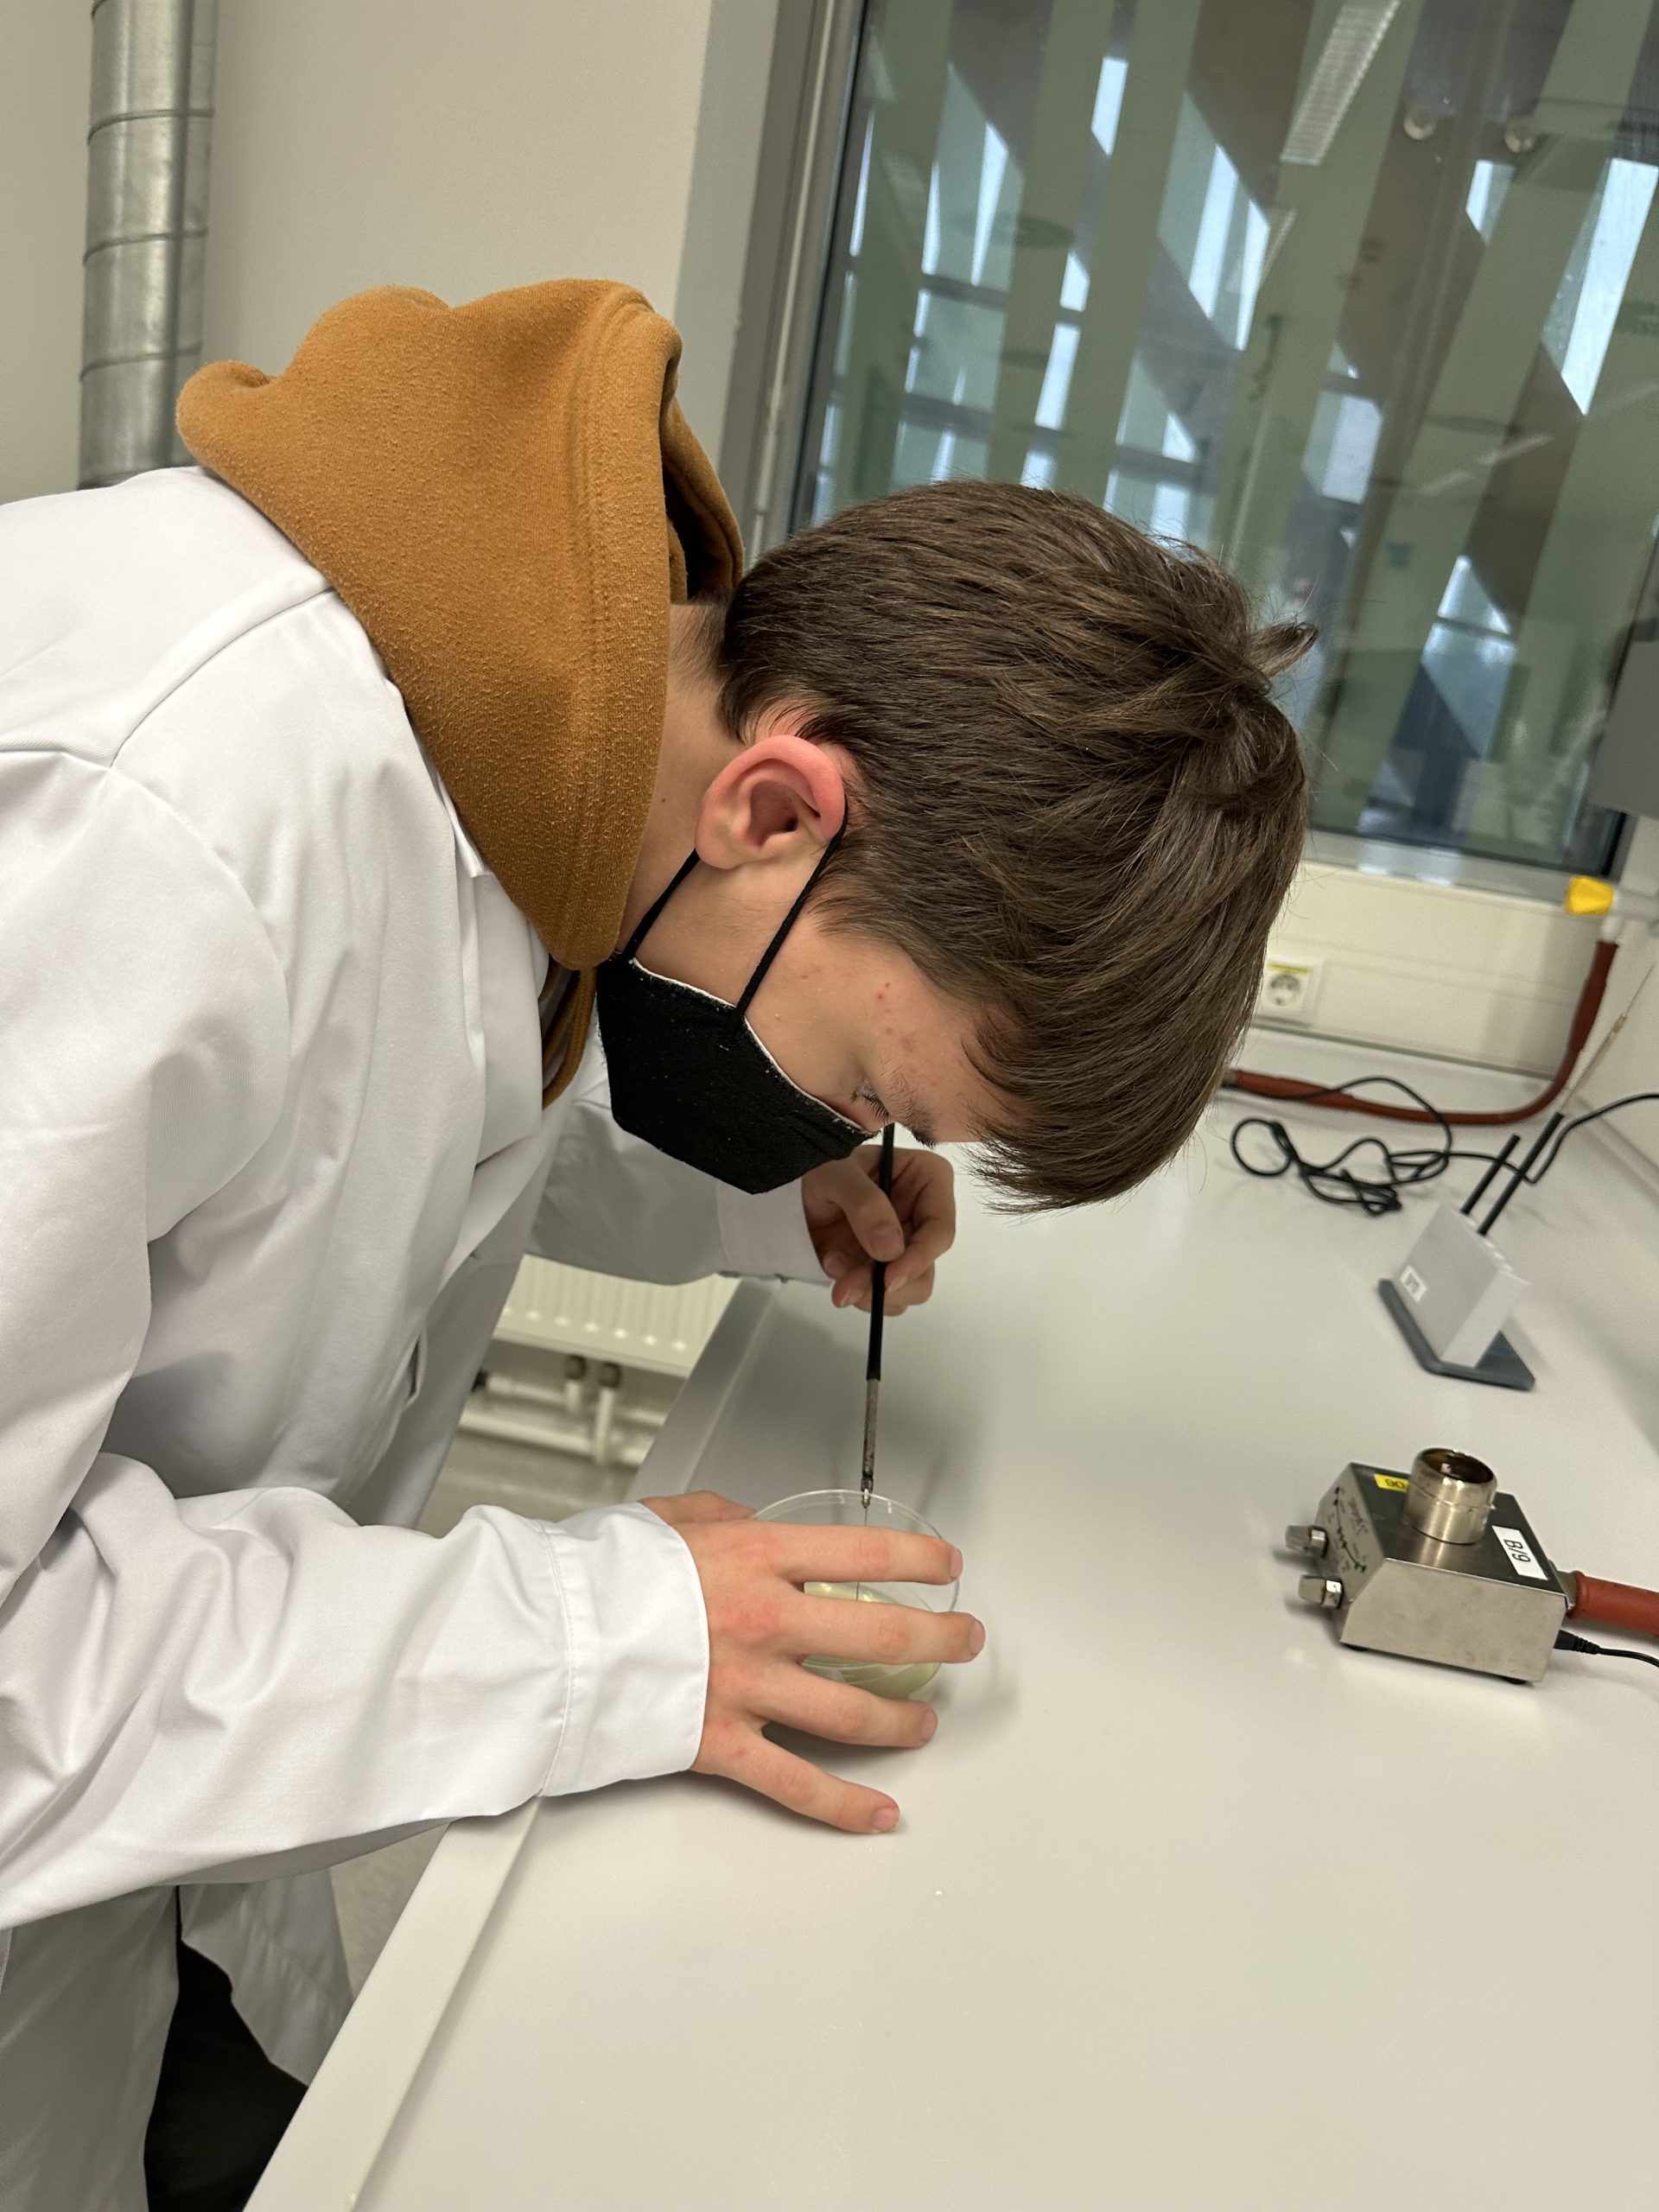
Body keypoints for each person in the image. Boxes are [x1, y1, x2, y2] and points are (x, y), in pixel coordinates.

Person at [0, 278, 1308, 2209]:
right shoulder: (144, 819)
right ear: (779, 804)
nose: (849, 1125)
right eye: (866, 1079)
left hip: (150, 1915)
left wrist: (758, 1184)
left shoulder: (555, 757)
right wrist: (604, 1637)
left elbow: (379, 1116)